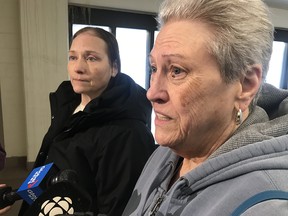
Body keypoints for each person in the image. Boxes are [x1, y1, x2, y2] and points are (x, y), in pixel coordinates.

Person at [122, 0, 288, 215]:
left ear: (246, 85)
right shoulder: (167, 152)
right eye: (154, 68)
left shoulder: (267, 207)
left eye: (177, 71)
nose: (152, 93)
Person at [1, 27, 156, 215]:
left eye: (91, 58)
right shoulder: (67, 106)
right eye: (73, 57)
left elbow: (117, 208)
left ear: (114, 67)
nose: (78, 68)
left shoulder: (128, 133)